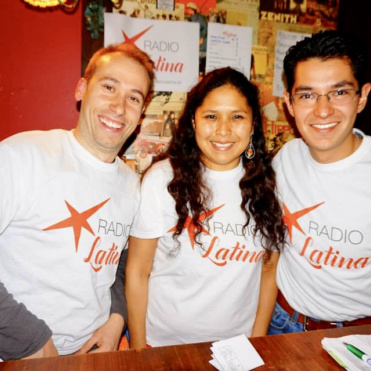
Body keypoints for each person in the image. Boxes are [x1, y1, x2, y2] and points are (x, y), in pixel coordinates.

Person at [0, 43, 155, 360]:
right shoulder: (20, 156)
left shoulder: (133, 186)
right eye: (109, 86)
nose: (118, 106)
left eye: (133, 98)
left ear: (140, 116)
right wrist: (29, 339)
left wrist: (117, 315)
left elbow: (122, 261)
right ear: (82, 89)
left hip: (91, 355)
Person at [125, 67, 286, 349]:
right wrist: (139, 352)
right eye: (211, 116)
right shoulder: (162, 180)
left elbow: (269, 270)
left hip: (237, 348)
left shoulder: (269, 184)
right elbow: (138, 271)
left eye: (237, 117)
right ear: (194, 121)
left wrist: (257, 342)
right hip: (163, 345)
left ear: (253, 125)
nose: (223, 130)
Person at [268, 30, 371, 334]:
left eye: (339, 92)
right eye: (307, 95)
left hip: (358, 334)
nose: (323, 110)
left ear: (362, 97)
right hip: (282, 322)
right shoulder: (285, 158)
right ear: (289, 103)